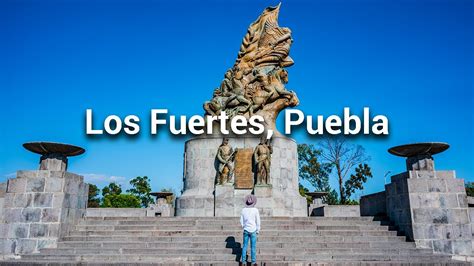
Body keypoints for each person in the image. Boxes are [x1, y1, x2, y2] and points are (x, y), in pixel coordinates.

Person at [240, 194, 260, 265]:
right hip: (253, 230)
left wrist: (244, 226)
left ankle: (243, 262)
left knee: (244, 246)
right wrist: (258, 230)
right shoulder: (255, 210)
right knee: (253, 247)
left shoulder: (243, 210)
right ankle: (253, 262)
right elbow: (258, 221)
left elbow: (241, 220)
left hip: (246, 230)